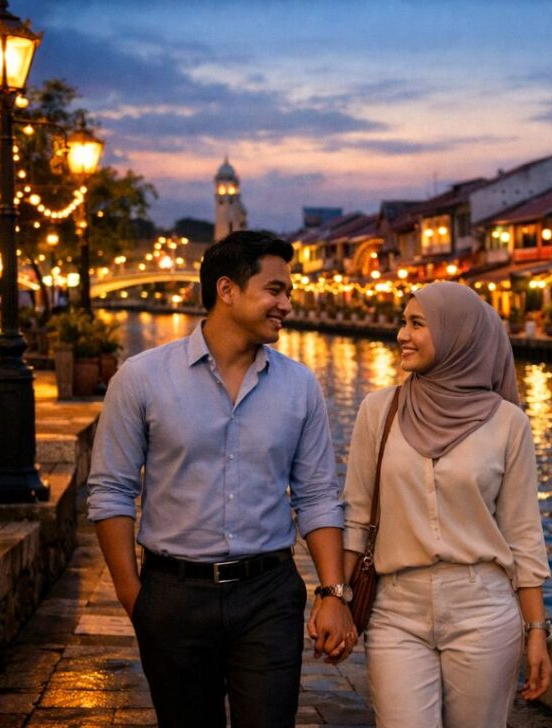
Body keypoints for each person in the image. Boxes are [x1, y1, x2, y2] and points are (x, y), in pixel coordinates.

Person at [88, 230, 356, 728]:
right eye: (275, 290)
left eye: (289, 293)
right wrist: (136, 599)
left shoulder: (300, 386)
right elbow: (112, 491)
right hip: (173, 595)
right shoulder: (141, 378)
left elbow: (318, 497)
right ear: (227, 290)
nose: (287, 305)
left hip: (268, 594)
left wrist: (333, 593)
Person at [333, 282, 552, 727]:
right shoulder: (380, 410)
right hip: (397, 608)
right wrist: (335, 597)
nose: (401, 334)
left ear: (458, 336)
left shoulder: (508, 423)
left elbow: (523, 532)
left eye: (417, 324)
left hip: (483, 608)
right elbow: (356, 516)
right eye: (403, 322)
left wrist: (536, 630)